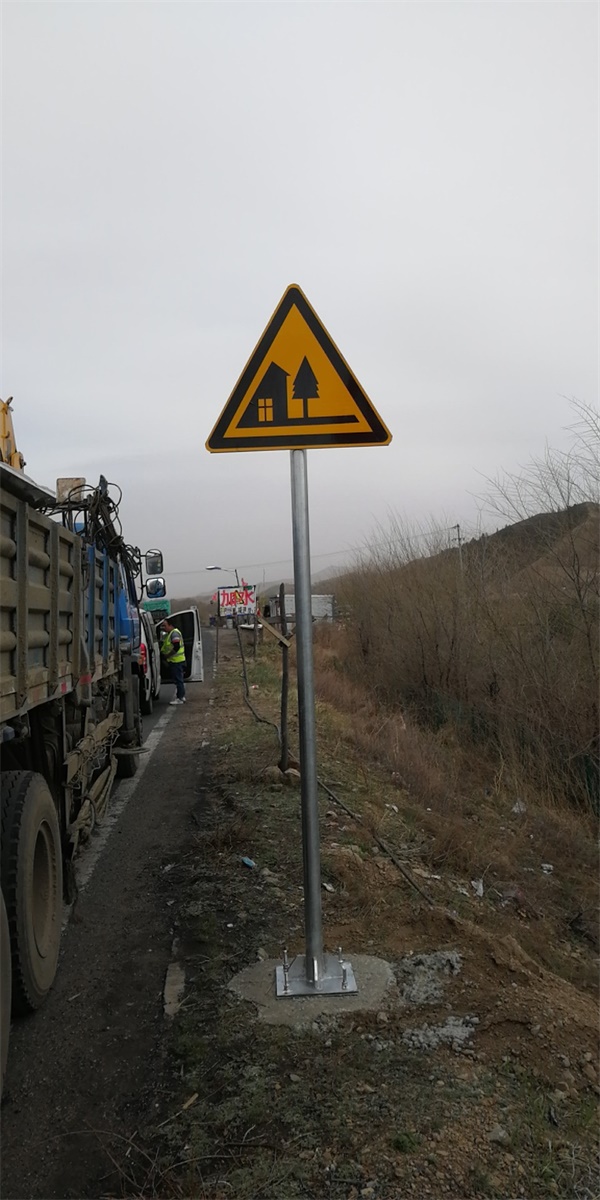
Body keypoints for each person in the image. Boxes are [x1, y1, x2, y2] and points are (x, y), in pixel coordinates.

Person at [159, 619, 186, 705]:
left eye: (165, 625)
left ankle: (180, 698)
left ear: (170, 625)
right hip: (175, 660)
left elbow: (176, 646)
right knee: (178, 679)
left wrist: (168, 655)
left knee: (178, 680)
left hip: (176, 661)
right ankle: (181, 696)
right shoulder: (170, 634)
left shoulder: (174, 633)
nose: (163, 628)